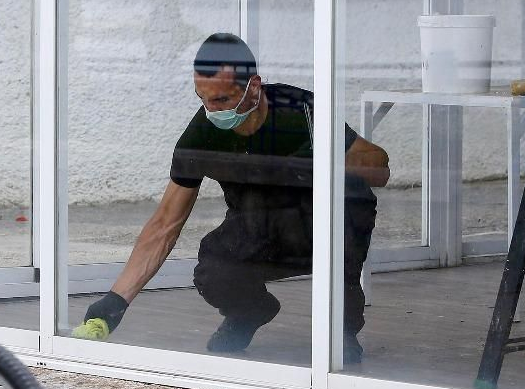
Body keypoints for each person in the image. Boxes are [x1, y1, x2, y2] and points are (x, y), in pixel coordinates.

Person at [76, 34, 388, 362]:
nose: (213, 111)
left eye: (223, 100)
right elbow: (165, 222)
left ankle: (342, 330)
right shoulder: (202, 135)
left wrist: (322, 161)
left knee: (350, 207)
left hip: (321, 223)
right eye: (204, 99)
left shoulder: (300, 111)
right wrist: (116, 301)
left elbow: (380, 167)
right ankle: (249, 312)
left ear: (254, 87)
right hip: (262, 224)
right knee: (215, 266)